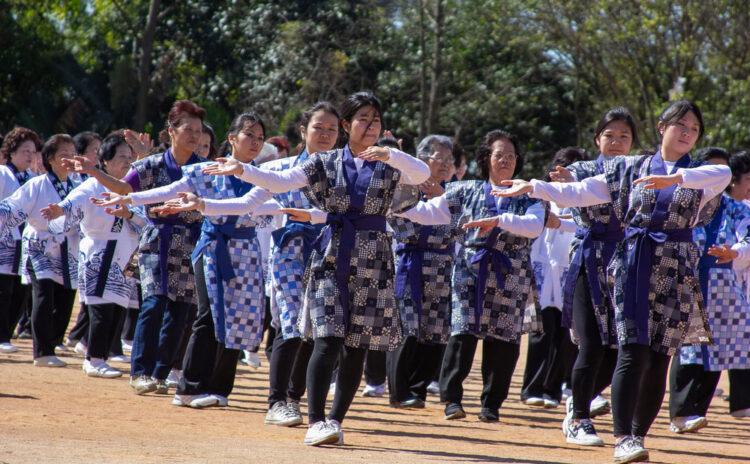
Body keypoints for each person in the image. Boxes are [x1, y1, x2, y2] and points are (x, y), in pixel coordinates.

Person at [494, 100, 730, 464]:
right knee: (632, 351)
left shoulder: (702, 174)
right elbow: (580, 192)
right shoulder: (628, 168)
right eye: (680, 125)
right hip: (635, 263)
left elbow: (723, 175)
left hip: (675, 270)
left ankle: (638, 434)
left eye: (694, 129)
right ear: (661, 127)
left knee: (658, 358)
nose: (686, 133)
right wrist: (534, 187)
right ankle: (623, 438)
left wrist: (676, 178)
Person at [201, 91, 430, 446]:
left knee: (356, 345)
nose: (370, 127)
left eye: (376, 120)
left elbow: (422, 173)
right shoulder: (325, 162)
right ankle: (315, 419)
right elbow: (281, 182)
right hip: (331, 254)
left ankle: (336, 420)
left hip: (374, 257)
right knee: (327, 338)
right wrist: (243, 168)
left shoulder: (390, 164)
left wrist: (392, 152)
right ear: (346, 125)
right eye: (363, 119)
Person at [95, 112, 275, 408]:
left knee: (238, 319)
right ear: (232, 139)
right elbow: (169, 190)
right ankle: (188, 387)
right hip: (212, 249)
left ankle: (219, 389)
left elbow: (247, 204)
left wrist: (203, 204)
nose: (255, 142)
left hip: (246, 252)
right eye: (248, 135)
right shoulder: (205, 170)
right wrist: (129, 199)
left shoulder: (262, 176)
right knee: (207, 315)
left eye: (259, 137)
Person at [396, 129, 545, 423]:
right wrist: (405, 207)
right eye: (499, 155)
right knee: (462, 333)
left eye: (511, 156)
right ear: (485, 159)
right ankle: (452, 399)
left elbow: (534, 226)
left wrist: (500, 220)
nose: (505, 161)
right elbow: (432, 213)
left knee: (503, 341)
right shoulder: (467, 190)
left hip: (509, 275)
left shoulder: (530, 195)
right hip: (470, 271)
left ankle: (491, 404)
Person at [63, 100, 207, 394]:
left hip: (190, 244)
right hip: (156, 241)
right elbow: (123, 188)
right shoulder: (151, 165)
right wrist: (94, 171)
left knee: (180, 313)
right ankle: (140, 372)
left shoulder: (203, 169)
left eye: (198, 130)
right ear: (171, 131)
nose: (194, 135)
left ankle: (162, 372)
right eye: (188, 129)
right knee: (154, 304)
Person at [548, 108, 640, 446]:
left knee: (620, 348)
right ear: (597, 139)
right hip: (588, 262)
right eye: (610, 136)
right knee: (591, 344)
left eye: (624, 136)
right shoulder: (583, 169)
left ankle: (579, 398)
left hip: (628, 265)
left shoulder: (638, 171)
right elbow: (571, 183)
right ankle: (579, 419)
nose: (616, 142)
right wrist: (564, 181)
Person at [41, 132, 142, 378]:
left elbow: (145, 219)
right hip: (99, 251)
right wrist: (59, 209)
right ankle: (93, 360)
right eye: (121, 157)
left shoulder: (132, 188)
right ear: (104, 161)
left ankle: (95, 351)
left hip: (125, 254)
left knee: (117, 310)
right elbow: (71, 203)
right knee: (101, 308)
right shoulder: (92, 185)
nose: (127, 162)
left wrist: (129, 215)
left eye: (130, 157)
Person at [669, 148, 750, 430]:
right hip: (687, 279)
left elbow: (749, 236)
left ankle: (697, 409)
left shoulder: (736, 207)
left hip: (724, 283)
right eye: (710, 169)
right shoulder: (684, 202)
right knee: (689, 346)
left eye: (722, 170)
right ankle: (679, 412)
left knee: (720, 346)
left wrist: (735, 251)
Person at [386, 134, 456, 408]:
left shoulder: (454, 191)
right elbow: (397, 220)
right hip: (410, 264)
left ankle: (418, 388)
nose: (446, 165)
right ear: (422, 158)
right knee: (407, 329)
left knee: (436, 331)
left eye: (450, 160)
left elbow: (463, 225)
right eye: (441, 158)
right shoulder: (405, 186)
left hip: (442, 267)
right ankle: (399, 390)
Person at [0, 134, 80, 367]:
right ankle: (42, 352)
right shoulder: (37, 184)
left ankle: (52, 344)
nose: (69, 160)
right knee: (43, 293)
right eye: (63, 155)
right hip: (39, 246)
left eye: (72, 155)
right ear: (50, 159)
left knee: (66, 298)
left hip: (67, 248)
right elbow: (12, 208)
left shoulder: (77, 187)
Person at [521, 147, 586, 411]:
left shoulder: (584, 202)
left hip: (569, 272)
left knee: (564, 335)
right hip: (541, 272)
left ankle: (553, 389)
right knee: (540, 332)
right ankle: (532, 388)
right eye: (561, 168)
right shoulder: (541, 198)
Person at [0, 127, 42, 353]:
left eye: (33, 151)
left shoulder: (32, 178)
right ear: (11, 151)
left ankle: (6, 333)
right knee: (3, 289)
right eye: (25, 150)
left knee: (20, 290)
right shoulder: (2, 173)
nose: (29, 155)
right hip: (4, 240)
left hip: (23, 243)